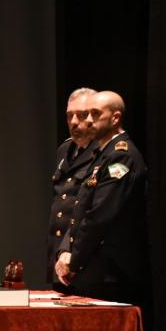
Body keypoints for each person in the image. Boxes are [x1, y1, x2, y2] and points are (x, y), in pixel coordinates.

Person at [55, 90, 148, 305]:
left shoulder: (122, 156)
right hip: (93, 269)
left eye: (95, 114)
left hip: (109, 272)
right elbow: (79, 212)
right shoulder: (103, 155)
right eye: (87, 114)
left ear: (115, 118)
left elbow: (100, 216)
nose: (88, 121)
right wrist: (65, 252)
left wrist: (74, 261)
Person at [47, 87, 97, 292]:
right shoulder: (65, 149)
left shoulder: (104, 153)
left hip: (82, 257)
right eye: (70, 116)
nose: (74, 121)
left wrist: (71, 252)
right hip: (60, 255)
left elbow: (92, 210)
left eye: (82, 115)